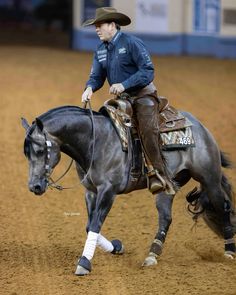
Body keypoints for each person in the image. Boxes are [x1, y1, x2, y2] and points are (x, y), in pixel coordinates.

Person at [81, 7, 175, 195]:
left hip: (143, 96)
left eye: (100, 25)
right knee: (104, 123)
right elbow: (96, 76)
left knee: (148, 129)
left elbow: (147, 71)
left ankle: (159, 173)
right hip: (122, 100)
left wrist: (124, 85)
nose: (97, 29)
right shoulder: (100, 50)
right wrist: (89, 88)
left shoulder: (131, 43)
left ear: (112, 25)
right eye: (96, 26)